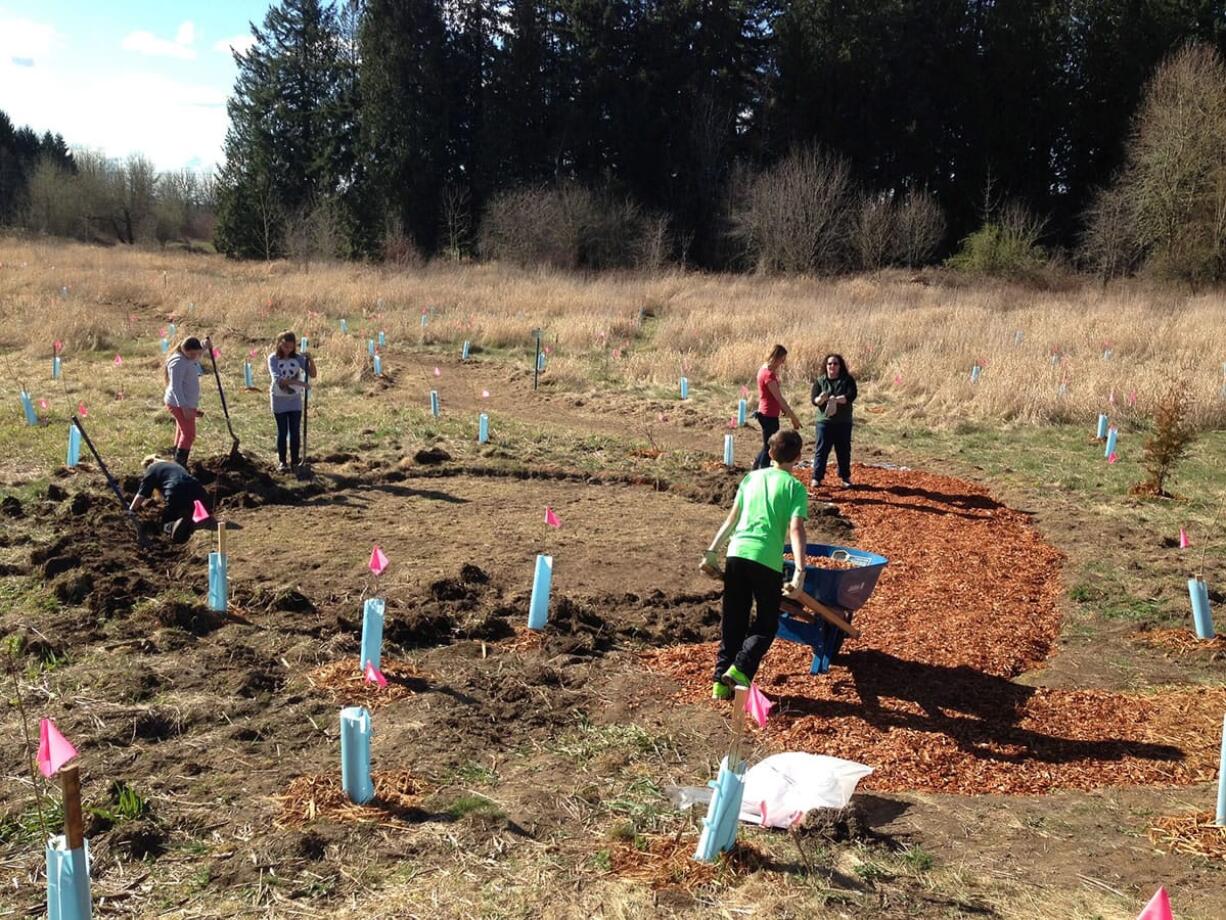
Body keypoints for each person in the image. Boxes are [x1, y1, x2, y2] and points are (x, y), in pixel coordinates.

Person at [701, 429, 808, 700]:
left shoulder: (751, 478)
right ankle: (740, 669)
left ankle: (719, 683)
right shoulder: (795, 488)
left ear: (770, 453)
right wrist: (799, 570)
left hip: (736, 554)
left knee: (733, 621)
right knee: (767, 623)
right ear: (797, 457)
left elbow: (732, 520)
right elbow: (796, 529)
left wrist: (712, 552)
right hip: (766, 561)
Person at [129, 455, 212, 544]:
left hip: (175, 489)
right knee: (187, 507)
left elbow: (141, 495)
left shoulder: (151, 469)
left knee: (167, 519)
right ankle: (192, 520)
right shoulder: (174, 465)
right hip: (196, 488)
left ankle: (173, 528)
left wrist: (131, 509)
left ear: (147, 465)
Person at [268, 331, 317, 472]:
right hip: (279, 399)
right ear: (279, 344)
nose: (287, 349)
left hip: (295, 400)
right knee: (282, 431)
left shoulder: (298, 358)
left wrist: (310, 359)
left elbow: (312, 374)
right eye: (284, 346)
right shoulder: (273, 359)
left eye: (290, 347)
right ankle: (282, 462)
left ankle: (295, 461)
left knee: (295, 431)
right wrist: (301, 384)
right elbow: (278, 380)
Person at [810, 352, 858, 488]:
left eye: (835, 363)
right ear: (825, 366)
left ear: (840, 366)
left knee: (843, 450)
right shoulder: (820, 381)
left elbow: (851, 396)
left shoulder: (847, 380)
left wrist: (835, 400)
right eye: (829, 363)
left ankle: (845, 477)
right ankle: (817, 477)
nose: (832, 366)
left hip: (843, 421)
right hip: (824, 422)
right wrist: (822, 398)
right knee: (821, 450)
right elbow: (814, 401)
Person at [752, 344, 801, 470]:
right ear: (776, 357)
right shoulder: (768, 375)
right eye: (782, 359)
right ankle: (762, 471)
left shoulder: (764, 369)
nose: (783, 363)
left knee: (766, 446)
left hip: (767, 413)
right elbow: (779, 398)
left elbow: (775, 398)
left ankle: (755, 469)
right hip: (768, 415)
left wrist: (783, 410)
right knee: (771, 448)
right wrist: (793, 418)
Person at [163, 336, 210, 467]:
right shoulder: (178, 362)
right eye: (192, 354)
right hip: (179, 403)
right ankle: (180, 466)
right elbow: (175, 387)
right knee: (189, 434)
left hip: (186, 403)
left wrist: (205, 346)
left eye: (197, 353)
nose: (195, 356)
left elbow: (197, 352)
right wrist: (184, 407)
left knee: (182, 431)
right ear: (184, 349)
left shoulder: (187, 357)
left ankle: (175, 462)